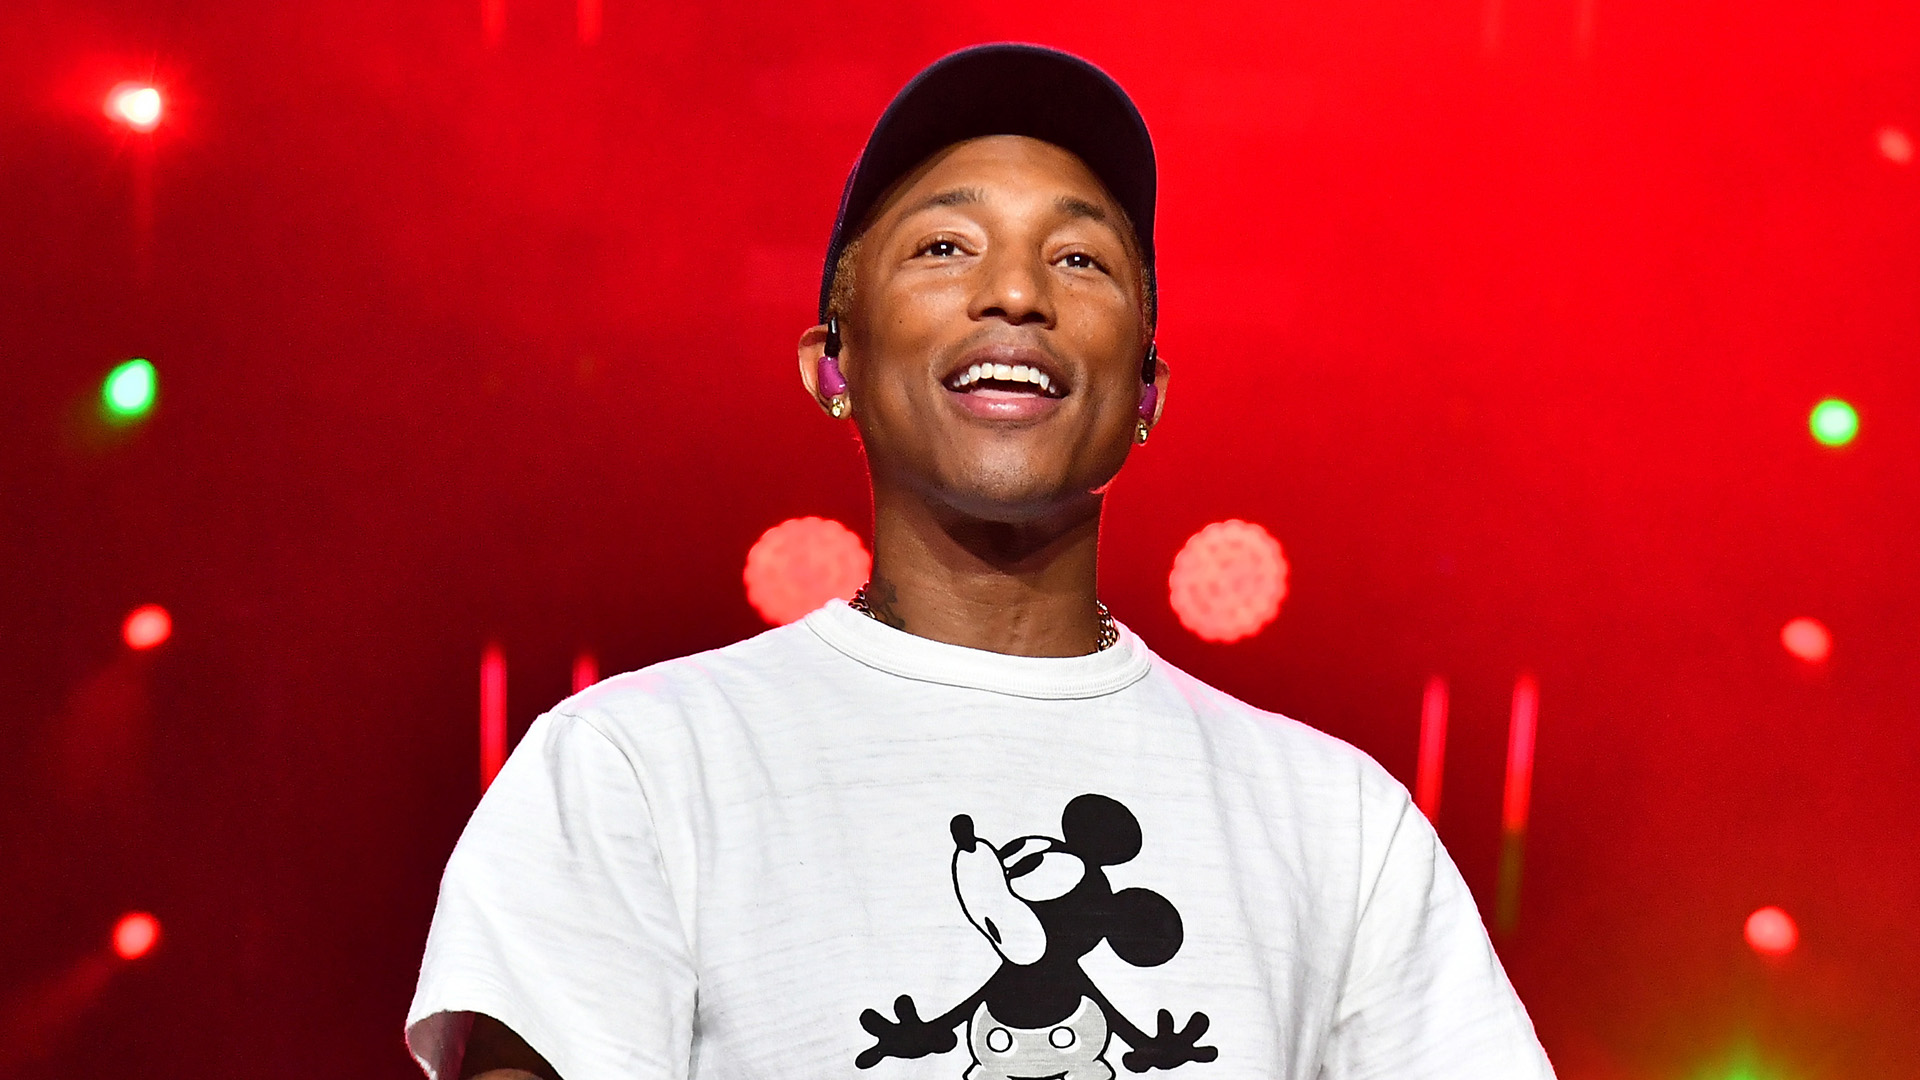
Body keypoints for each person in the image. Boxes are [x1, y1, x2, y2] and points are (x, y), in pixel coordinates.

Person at [405, 43, 1556, 1080]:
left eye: (1080, 259)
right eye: (946, 246)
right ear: (832, 364)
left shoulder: (1336, 822)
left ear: (1147, 393)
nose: (1017, 292)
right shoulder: (633, 770)